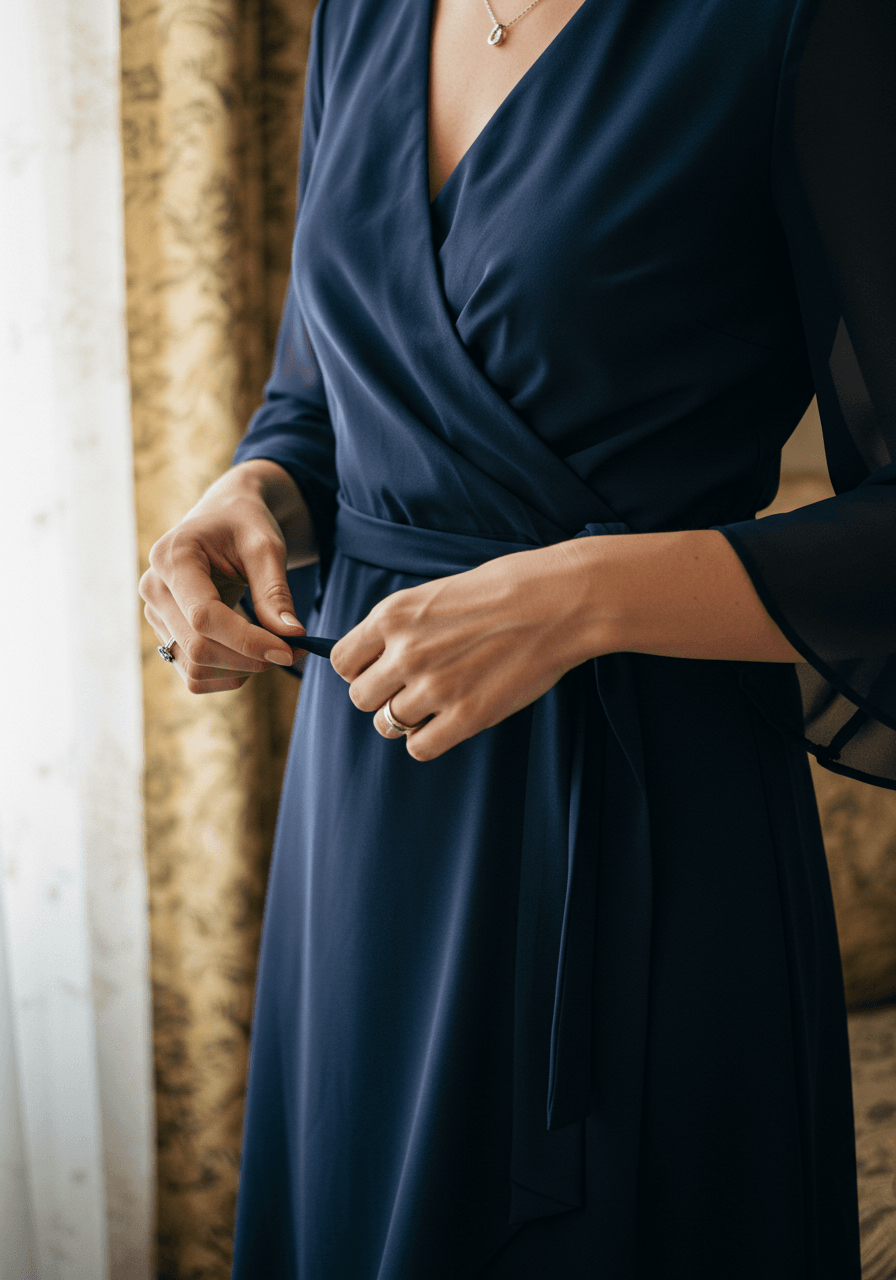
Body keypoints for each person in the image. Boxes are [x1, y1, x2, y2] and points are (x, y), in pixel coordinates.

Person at [139, 0, 895, 1273]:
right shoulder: (361, 16)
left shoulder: (803, 23)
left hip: (642, 806)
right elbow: (320, 399)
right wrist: (246, 496)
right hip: (367, 805)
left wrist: (581, 596)